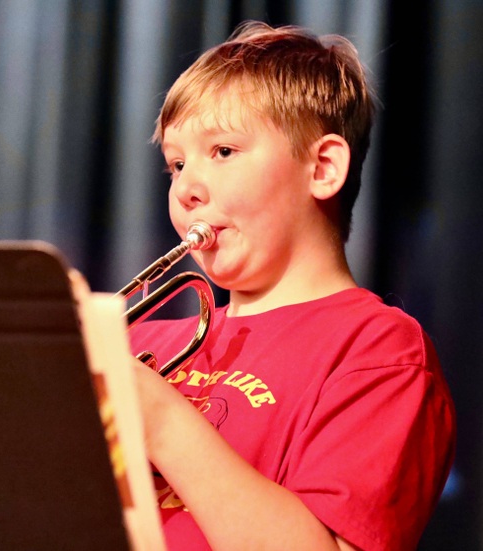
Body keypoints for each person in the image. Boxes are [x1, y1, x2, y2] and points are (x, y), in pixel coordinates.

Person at [128, 21, 456, 551]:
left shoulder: (380, 353)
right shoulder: (141, 345)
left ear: (323, 168)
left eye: (224, 151)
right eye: (176, 164)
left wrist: (161, 421)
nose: (186, 187)